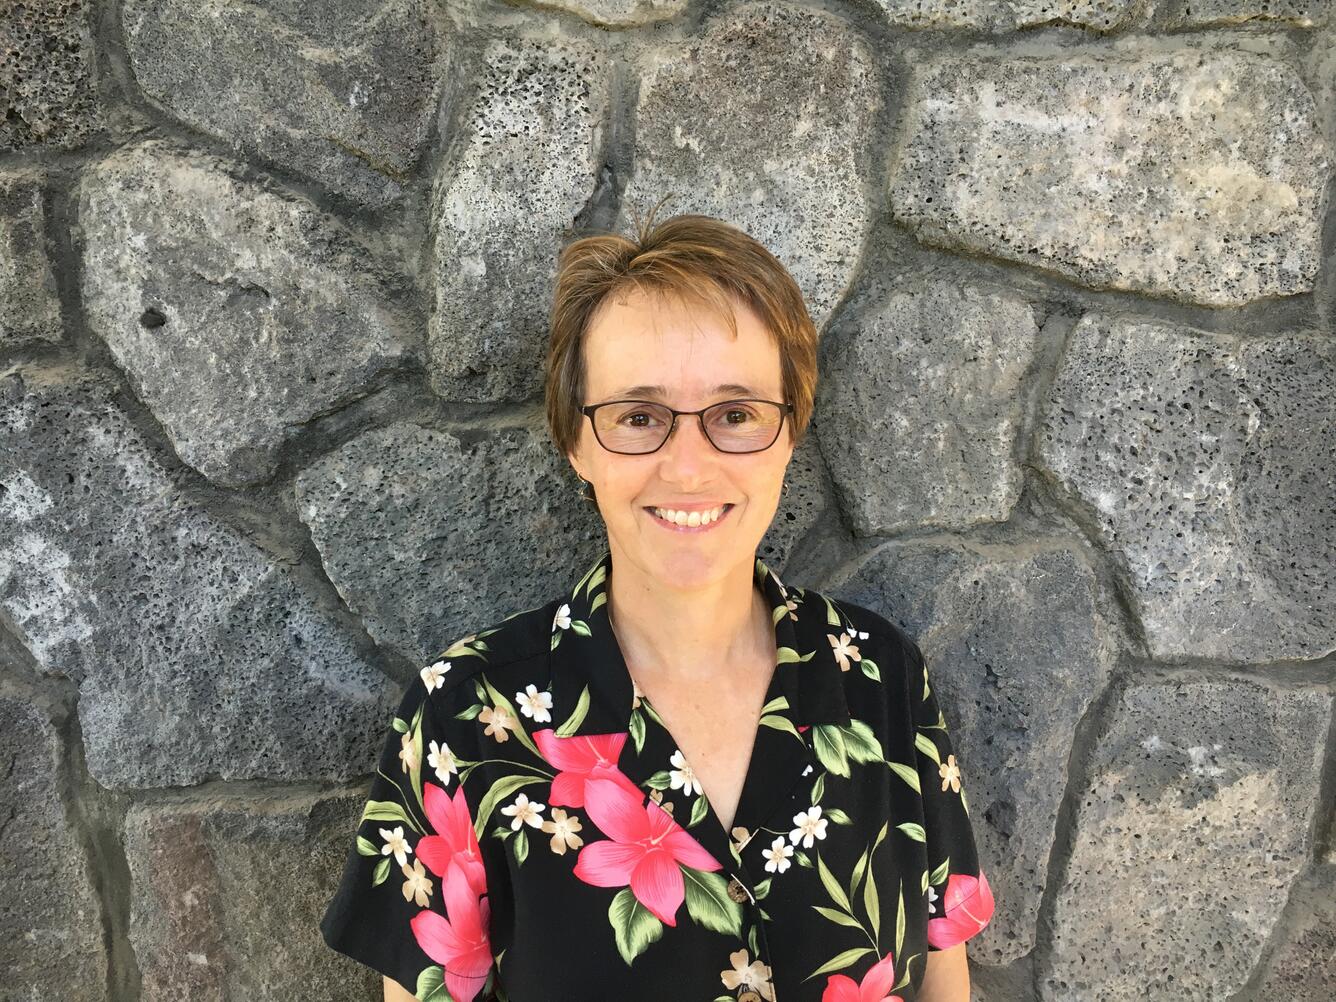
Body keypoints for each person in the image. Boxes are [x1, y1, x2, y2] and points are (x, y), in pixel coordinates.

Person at [320, 203, 995, 1001]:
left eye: (735, 415)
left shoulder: (880, 678)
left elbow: (943, 983)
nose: (687, 467)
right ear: (575, 441)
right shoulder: (466, 718)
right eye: (638, 418)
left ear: (790, 431)